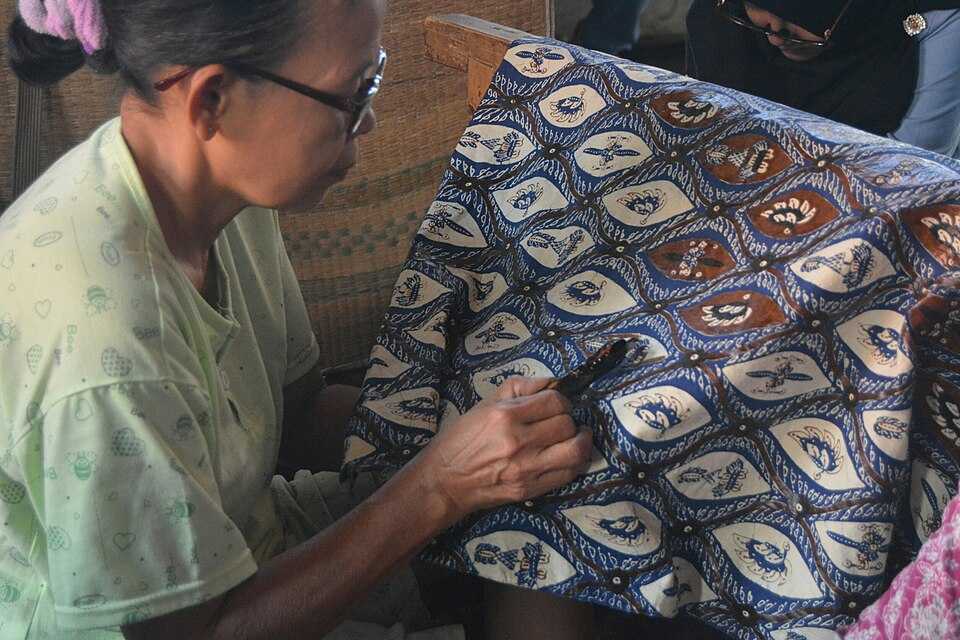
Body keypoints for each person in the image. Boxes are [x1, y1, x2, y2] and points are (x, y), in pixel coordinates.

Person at [0, 1, 595, 638]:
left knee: (555, 481)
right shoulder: (104, 339)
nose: (368, 122)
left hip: (253, 542)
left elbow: (296, 413)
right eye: (351, 93)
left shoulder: (223, 188)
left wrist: (470, 422)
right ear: (212, 102)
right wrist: (439, 486)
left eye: (376, 77)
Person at [685, 0, 960, 158]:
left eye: (795, 14)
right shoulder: (719, 13)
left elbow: (913, 168)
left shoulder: (937, 18)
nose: (774, 36)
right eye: (757, 4)